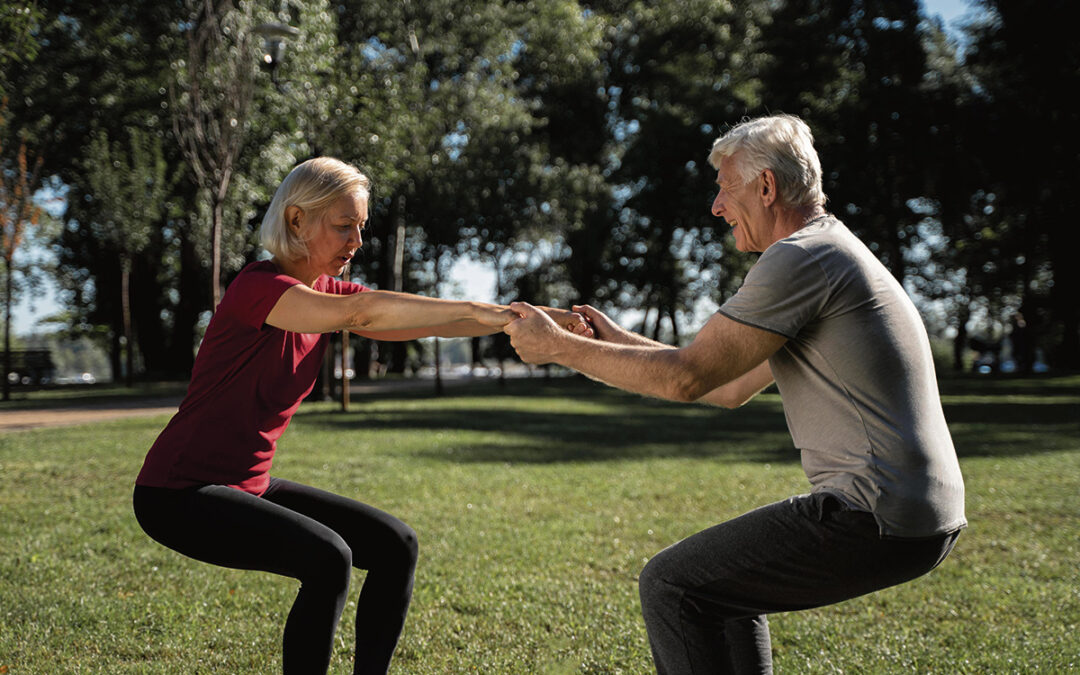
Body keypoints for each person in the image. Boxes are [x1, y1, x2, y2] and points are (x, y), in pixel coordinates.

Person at [504, 114, 966, 673]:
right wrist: (615, 341)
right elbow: (727, 386)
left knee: (671, 584)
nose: (716, 207)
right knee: (718, 593)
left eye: (725, 189)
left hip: (871, 510)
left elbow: (687, 378)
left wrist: (558, 348)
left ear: (766, 187)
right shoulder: (829, 251)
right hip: (917, 512)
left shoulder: (800, 257)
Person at [133, 157, 591, 674]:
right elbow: (362, 314)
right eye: (343, 225)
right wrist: (489, 313)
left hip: (247, 486)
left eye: (360, 227)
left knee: (396, 545)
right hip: (177, 493)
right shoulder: (258, 289)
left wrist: (526, 319)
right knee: (328, 558)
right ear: (297, 220)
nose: (356, 240)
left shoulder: (329, 296)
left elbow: (438, 319)